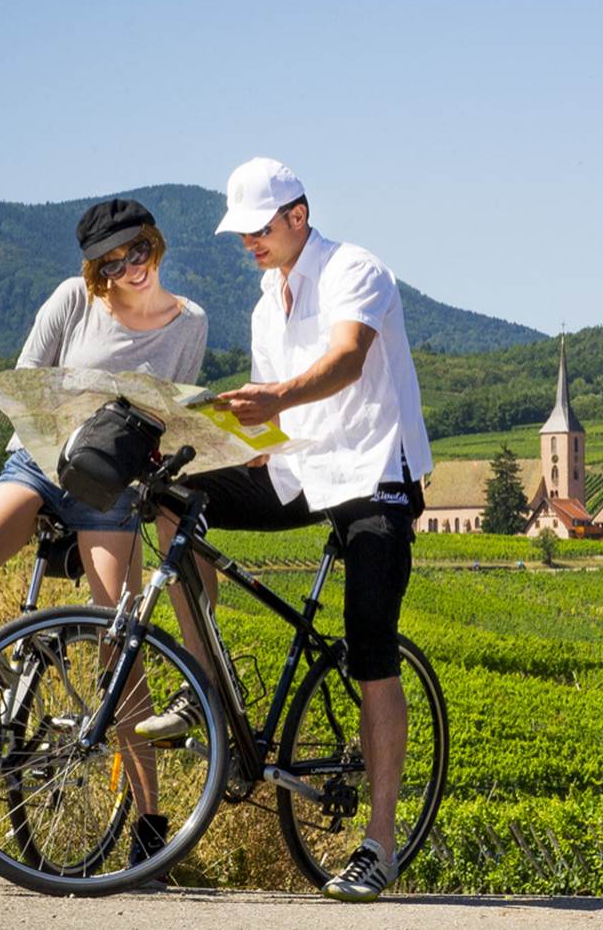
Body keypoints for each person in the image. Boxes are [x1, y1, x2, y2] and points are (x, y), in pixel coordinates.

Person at [140, 156, 430, 902]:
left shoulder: (356, 270)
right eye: (240, 233)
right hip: (300, 474)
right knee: (170, 494)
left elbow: (344, 362)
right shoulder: (268, 306)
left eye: (258, 229)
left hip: (374, 478)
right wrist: (197, 439)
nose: (248, 244)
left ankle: (380, 843)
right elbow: (274, 425)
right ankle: (205, 685)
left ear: (298, 216)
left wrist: (272, 397)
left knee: (370, 648)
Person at [0, 197, 208, 868]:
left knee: (120, 643)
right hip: (39, 459)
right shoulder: (71, 299)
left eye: (136, 252)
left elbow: (171, 420)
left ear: (156, 244)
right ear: (95, 269)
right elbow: (25, 385)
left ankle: (150, 825)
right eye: (111, 262)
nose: (127, 268)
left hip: (110, 487)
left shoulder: (189, 324)